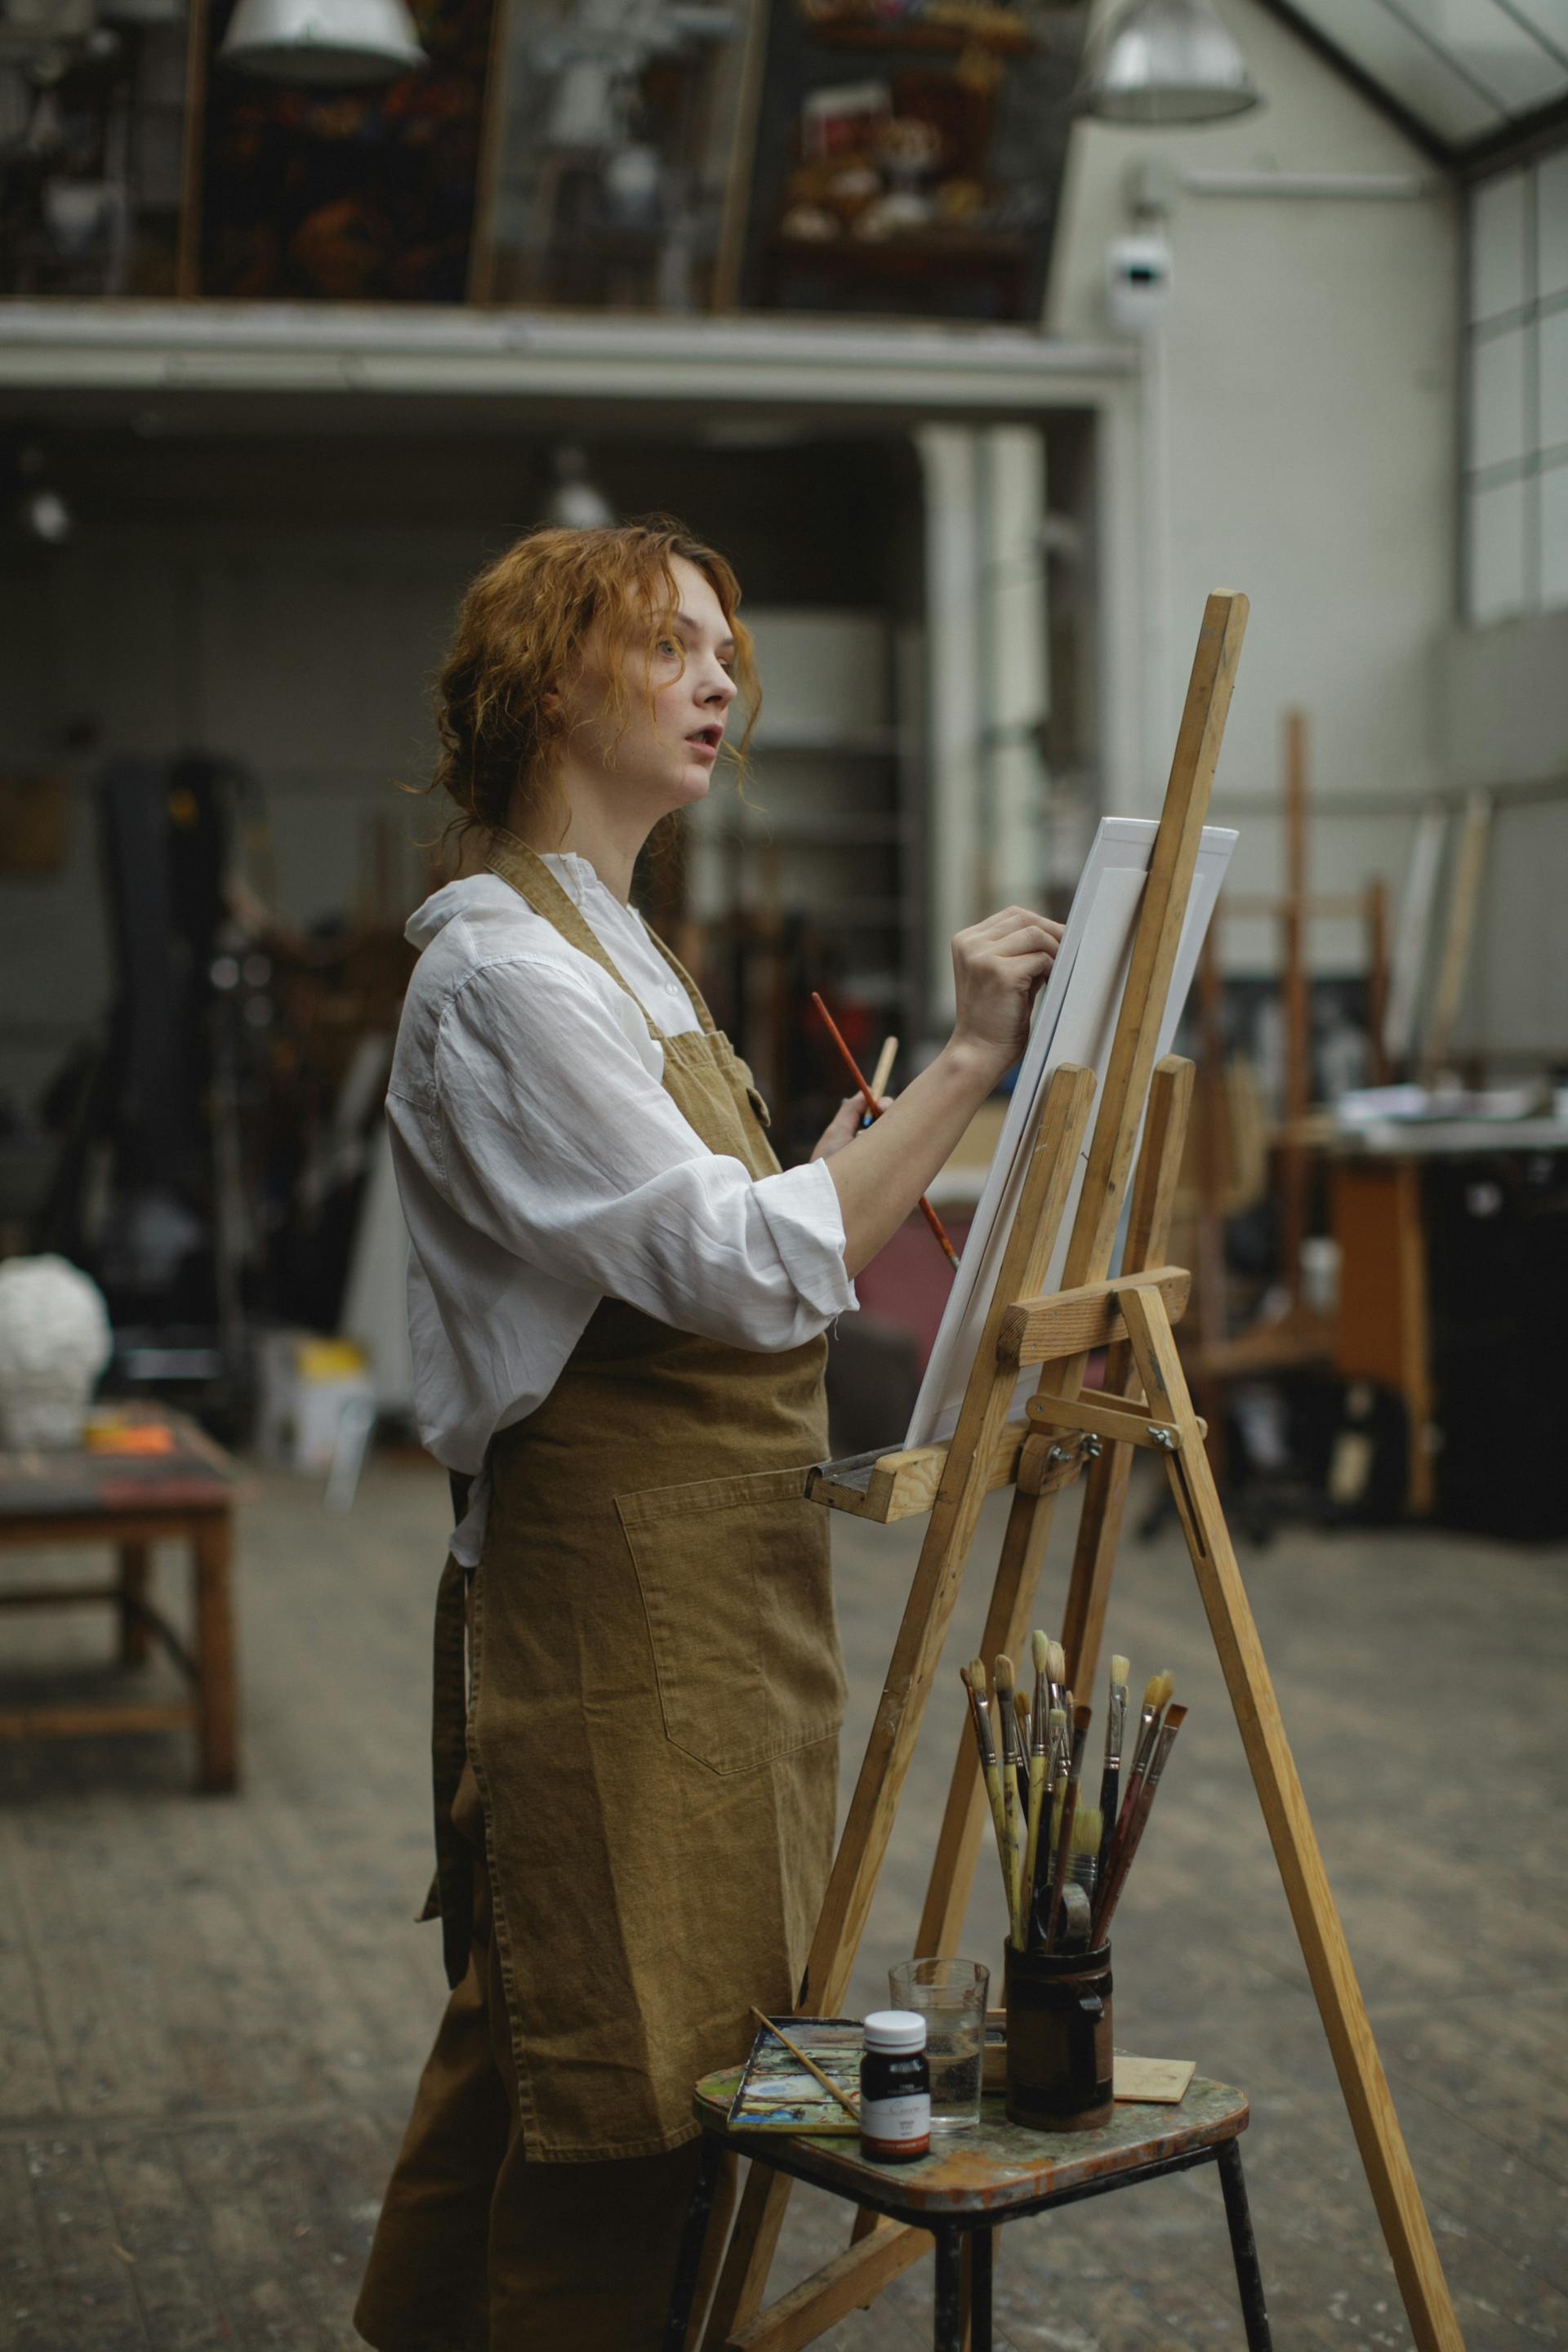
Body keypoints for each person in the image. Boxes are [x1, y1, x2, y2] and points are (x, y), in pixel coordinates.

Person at [354, 518, 1062, 2351]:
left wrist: (827, 1169)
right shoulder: (505, 979)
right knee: (616, 2065)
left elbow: (711, 1232)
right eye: (670, 645)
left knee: (588, 2025)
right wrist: (974, 1066)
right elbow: (737, 1266)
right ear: (546, 685)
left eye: (722, 648)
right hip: (606, 1594)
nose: (719, 679)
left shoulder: (623, 952)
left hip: (713, 1578)